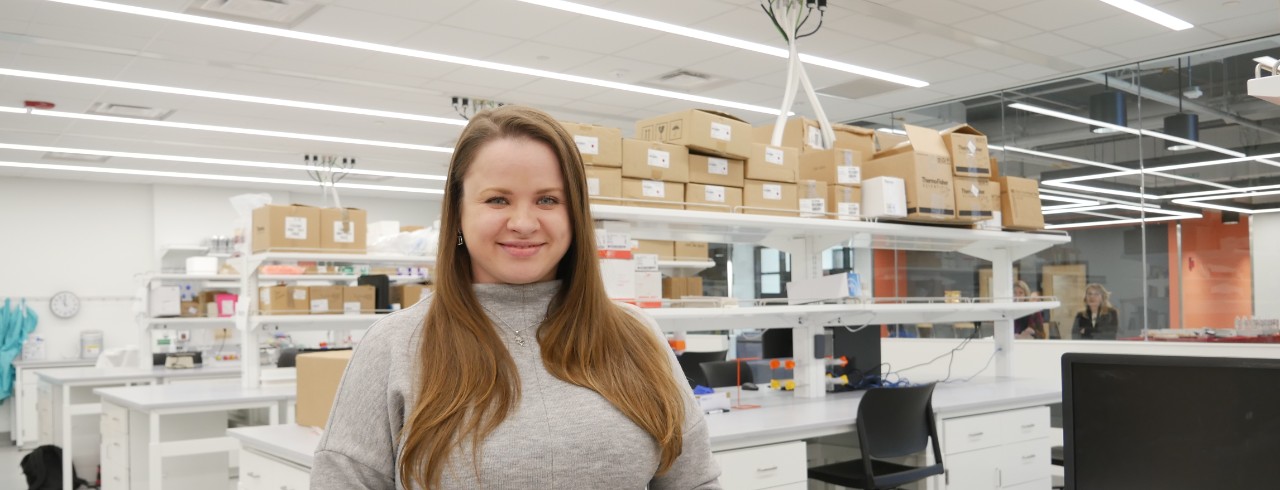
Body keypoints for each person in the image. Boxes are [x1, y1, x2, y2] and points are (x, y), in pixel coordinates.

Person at [310, 106, 721, 489]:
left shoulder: (635, 335)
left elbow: (694, 481)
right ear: (458, 212)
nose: (524, 223)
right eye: (497, 200)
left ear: (574, 214)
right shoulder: (395, 344)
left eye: (547, 200)